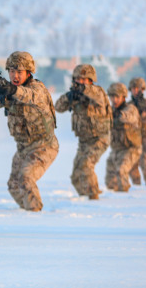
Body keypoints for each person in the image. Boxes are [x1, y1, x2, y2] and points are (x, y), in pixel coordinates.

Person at [0, 51, 58, 212]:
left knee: (26, 178)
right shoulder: (10, 90)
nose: (15, 76)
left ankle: (36, 216)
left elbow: (30, 95)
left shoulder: (37, 89)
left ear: (28, 73)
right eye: (11, 71)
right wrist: (0, 94)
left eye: (19, 72)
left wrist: (12, 91)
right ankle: (27, 212)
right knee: (14, 185)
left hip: (44, 146)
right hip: (23, 148)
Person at [54, 64, 112, 200]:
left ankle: (94, 197)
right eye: (78, 79)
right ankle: (84, 198)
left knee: (86, 165)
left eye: (84, 80)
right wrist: (70, 96)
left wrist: (82, 90)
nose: (81, 82)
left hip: (100, 138)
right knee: (76, 176)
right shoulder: (75, 95)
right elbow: (58, 107)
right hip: (84, 141)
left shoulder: (98, 92)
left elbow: (91, 92)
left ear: (91, 80)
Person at [105, 82, 142, 192]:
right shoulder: (110, 110)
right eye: (112, 97)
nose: (114, 100)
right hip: (116, 150)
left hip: (131, 149)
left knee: (122, 171)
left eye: (117, 97)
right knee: (110, 181)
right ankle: (114, 201)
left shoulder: (130, 109)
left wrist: (117, 115)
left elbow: (127, 117)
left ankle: (125, 198)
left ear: (123, 97)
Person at [128, 77, 146, 186]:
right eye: (133, 89)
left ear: (142, 89)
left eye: (137, 88)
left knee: (145, 161)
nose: (135, 91)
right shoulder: (129, 105)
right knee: (132, 163)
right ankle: (137, 186)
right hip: (133, 137)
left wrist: (141, 111)